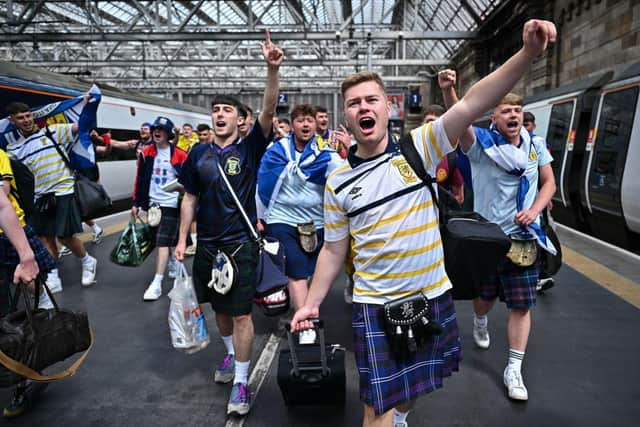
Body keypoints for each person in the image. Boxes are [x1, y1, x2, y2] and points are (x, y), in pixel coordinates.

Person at [291, 19, 557, 426]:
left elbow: (472, 103)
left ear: (386, 108)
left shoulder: (419, 147)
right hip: (374, 304)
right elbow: (332, 249)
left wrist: (527, 54)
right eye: (354, 103)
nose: (364, 107)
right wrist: (310, 303)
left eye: (372, 100)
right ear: (344, 114)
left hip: (430, 295)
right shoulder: (337, 181)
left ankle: (401, 417)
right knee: (375, 406)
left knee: (413, 391)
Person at [175, 29, 283, 417]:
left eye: (227, 110)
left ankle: (240, 381)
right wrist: (181, 238)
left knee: (240, 314)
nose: (219, 114)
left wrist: (271, 71)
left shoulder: (251, 147)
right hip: (207, 246)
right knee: (218, 311)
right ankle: (229, 356)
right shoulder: (198, 155)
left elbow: (269, 112)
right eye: (215, 109)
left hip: (240, 244)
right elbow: (189, 196)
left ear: (241, 120)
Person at [439, 59, 557, 401]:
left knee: (522, 306)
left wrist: (535, 209)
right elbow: (460, 118)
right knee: (485, 299)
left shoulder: (537, 147)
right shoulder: (481, 148)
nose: (514, 115)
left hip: (525, 240)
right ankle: (479, 320)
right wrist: (449, 91)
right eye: (506, 110)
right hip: (489, 241)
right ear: (494, 117)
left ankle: (513, 369)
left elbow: (548, 183)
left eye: (518, 109)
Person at [257, 104, 342, 344]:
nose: (305, 125)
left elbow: (343, 178)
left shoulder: (327, 153)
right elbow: (262, 183)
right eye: (300, 120)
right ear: (292, 125)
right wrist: (260, 216)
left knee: (314, 271)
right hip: (282, 219)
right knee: (296, 271)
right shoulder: (276, 151)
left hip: (317, 221)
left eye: (309, 121)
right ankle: (305, 323)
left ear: (316, 125)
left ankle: (305, 308)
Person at [5, 101, 98, 291]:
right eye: (20, 117)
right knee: (44, 238)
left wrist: (87, 104)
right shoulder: (13, 149)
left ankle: (88, 261)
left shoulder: (53, 131)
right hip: (39, 196)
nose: (26, 120)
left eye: (28, 115)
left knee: (64, 237)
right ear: (12, 121)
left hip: (63, 190)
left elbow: (81, 127)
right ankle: (53, 273)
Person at [0, 148, 57, 418]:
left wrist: (25, 255)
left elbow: (2, 201)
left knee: (8, 321)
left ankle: (25, 378)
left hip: (6, 237)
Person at [132, 116, 188, 301]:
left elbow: (189, 180)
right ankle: (173, 262)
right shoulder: (146, 152)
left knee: (161, 243)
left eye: (162, 130)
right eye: (155, 128)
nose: (157, 132)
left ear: (168, 134)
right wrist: (136, 203)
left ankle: (156, 283)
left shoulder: (180, 154)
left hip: (171, 204)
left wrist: (182, 189)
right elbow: (139, 178)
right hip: (153, 205)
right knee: (162, 238)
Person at [523, 111, 556, 292]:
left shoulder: (538, 144)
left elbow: (546, 176)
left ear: (533, 125)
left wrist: (546, 198)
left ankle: (540, 274)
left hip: (536, 201)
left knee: (539, 233)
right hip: (523, 202)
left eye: (528, 124)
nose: (525, 127)